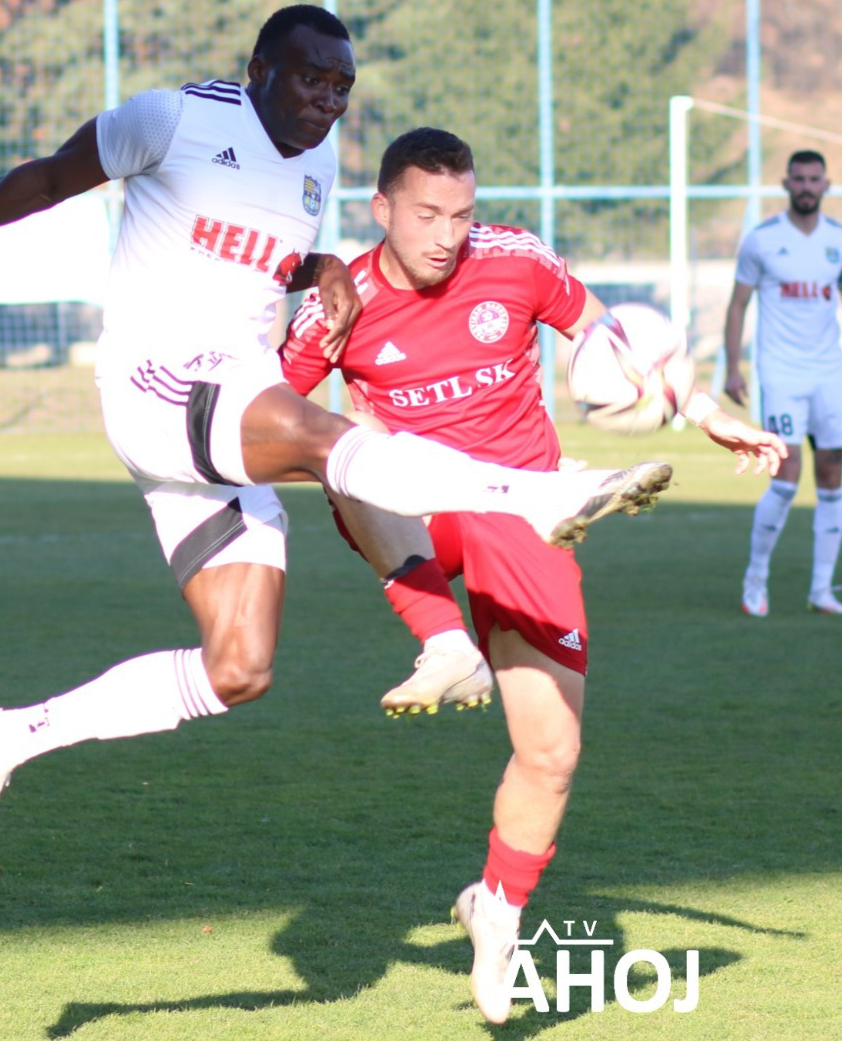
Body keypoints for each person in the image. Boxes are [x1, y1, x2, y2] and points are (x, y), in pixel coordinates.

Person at [0, 5, 673, 863]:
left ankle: (9, 734)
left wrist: (323, 265)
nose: (328, 99)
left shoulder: (318, 164)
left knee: (238, 667)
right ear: (260, 69)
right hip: (157, 382)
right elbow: (46, 179)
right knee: (331, 437)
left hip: (227, 398)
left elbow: (256, 259)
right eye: (312, 78)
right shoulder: (170, 120)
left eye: (342, 85)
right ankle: (540, 496)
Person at [278, 127, 786, 1024]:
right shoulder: (339, 304)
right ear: (381, 208)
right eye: (426, 215)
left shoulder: (515, 260)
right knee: (352, 455)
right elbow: (268, 420)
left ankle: (497, 911)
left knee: (551, 753)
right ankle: (442, 641)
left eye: (461, 214)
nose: (446, 235)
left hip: (526, 516)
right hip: (422, 513)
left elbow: (608, 338)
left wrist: (699, 408)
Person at [723, 150, 842, 617]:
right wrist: (733, 368)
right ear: (786, 183)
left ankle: (821, 590)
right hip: (781, 371)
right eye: (800, 179)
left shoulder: (841, 240)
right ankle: (755, 580)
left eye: (814, 179)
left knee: (831, 475)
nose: (807, 187)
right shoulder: (762, 240)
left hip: (829, 371)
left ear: (826, 185)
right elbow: (737, 305)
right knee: (786, 476)